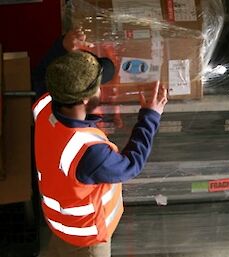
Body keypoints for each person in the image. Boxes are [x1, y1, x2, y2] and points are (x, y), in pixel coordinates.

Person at [32, 29, 168, 257]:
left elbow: (40, 76)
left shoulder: (45, 105)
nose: (101, 87)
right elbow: (131, 165)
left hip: (59, 224)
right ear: (86, 99)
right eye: (98, 84)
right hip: (86, 241)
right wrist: (151, 115)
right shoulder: (87, 151)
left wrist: (62, 46)